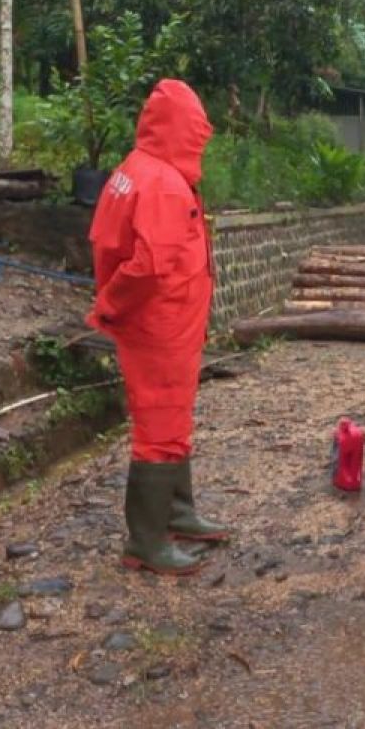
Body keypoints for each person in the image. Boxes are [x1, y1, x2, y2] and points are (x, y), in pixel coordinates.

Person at [87, 79, 229, 576]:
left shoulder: (136, 170)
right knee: (159, 428)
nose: (202, 140)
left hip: (168, 323)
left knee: (172, 420)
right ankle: (146, 541)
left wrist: (112, 303)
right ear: (183, 129)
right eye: (198, 130)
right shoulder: (163, 184)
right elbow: (147, 266)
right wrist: (112, 304)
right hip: (159, 327)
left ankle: (177, 512)